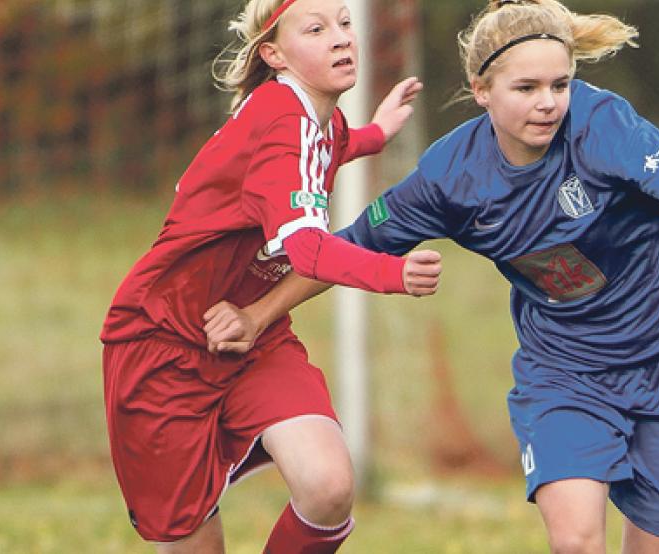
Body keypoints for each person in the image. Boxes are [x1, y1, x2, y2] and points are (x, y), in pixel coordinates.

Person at [205, 0, 659, 552]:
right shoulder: (451, 177)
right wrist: (257, 315)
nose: (549, 103)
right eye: (527, 88)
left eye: (560, 85)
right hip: (567, 371)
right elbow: (348, 246)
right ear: (482, 92)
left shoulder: (599, 123)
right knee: (573, 539)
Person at [99, 0, 442, 552]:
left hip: (250, 338)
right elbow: (307, 251)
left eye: (345, 24)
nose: (340, 38)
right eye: (316, 29)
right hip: (162, 350)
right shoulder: (284, 122)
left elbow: (332, 147)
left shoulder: (312, 115)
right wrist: (393, 271)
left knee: (328, 485)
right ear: (273, 54)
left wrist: (376, 132)